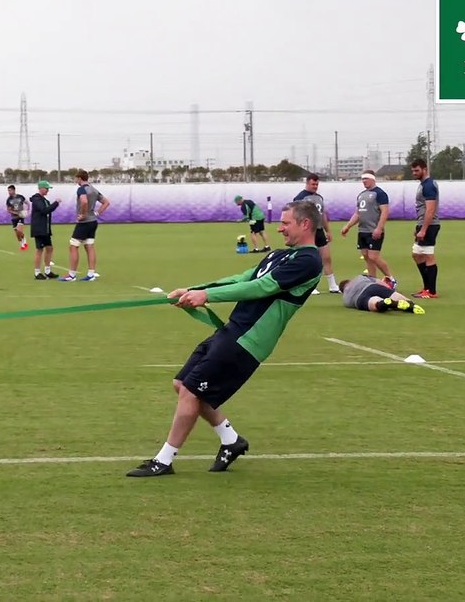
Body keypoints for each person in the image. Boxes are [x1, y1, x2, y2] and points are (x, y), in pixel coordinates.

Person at [127, 201, 323, 478]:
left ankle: (164, 460)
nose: (279, 228)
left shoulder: (308, 261)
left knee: (192, 391)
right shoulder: (279, 255)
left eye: (285, 223)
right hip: (234, 330)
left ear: (305, 224)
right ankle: (231, 440)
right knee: (182, 383)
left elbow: (262, 287)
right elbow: (243, 277)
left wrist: (206, 296)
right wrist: (195, 290)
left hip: (248, 342)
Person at [340, 171, 396, 290]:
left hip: (373, 230)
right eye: (362, 179)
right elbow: (357, 213)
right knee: (366, 256)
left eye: (366, 178)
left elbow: (385, 211)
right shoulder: (361, 195)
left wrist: (379, 228)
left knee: (373, 256)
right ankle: (373, 281)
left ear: (372, 179)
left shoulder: (379, 194)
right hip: (362, 230)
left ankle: (390, 278)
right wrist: (348, 226)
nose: (364, 181)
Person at [292, 174, 340, 295]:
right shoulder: (300, 198)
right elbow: (296, 217)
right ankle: (309, 285)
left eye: (317, 184)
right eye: (313, 184)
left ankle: (332, 285)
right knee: (310, 259)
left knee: (326, 257)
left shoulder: (319, 198)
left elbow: (322, 215)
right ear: (307, 183)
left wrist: (327, 230)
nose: (315, 186)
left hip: (318, 231)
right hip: (307, 232)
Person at [61, 170, 110, 282]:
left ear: (79, 178)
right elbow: (106, 202)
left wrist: (83, 214)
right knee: (89, 246)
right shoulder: (93, 189)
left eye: (76, 178)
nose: (75, 181)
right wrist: (97, 213)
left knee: (73, 246)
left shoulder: (81, 189)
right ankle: (91, 274)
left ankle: (71, 275)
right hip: (93, 222)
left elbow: (84, 202)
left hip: (84, 222)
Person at [410, 159, 440, 299]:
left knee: (428, 255)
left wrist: (423, 229)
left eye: (417, 170)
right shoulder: (423, 185)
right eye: (413, 171)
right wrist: (419, 227)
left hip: (430, 224)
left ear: (424, 169)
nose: (414, 173)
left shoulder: (428, 185)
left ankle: (431, 291)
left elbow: (430, 209)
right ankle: (426, 287)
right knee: (416, 254)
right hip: (423, 224)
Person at [338, 274, 425, 314]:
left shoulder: (345, 299)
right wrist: (388, 289)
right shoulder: (359, 277)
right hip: (371, 286)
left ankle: (384, 303)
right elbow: (378, 281)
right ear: (350, 281)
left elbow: (353, 305)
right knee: (394, 295)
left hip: (360, 298)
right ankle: (411, 305)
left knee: (374, 302)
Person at [28, 180, 60, 280]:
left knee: (49, 248)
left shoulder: (44, 200)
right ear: (41, 188)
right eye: (46, 188)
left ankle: (47, 271)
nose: (47, 191)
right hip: (39, 229)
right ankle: (37, 273)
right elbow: (44, 210)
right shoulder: (37, 199)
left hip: (45, 229)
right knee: (39, 250)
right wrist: (56, 203)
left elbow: (48, 210)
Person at [5, 185, 28, 251]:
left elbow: (27, 203)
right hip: (14, 218)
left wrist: (27, 210)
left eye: (10, 190)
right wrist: (16, 213)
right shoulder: (8, 200)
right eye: (8, 191)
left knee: (19, 231)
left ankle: (24, 243)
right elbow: (8, 210)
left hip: (20, 217)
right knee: (17, 234)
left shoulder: (20, 197)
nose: (9, 192)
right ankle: (22, 244)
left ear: (14, 190)